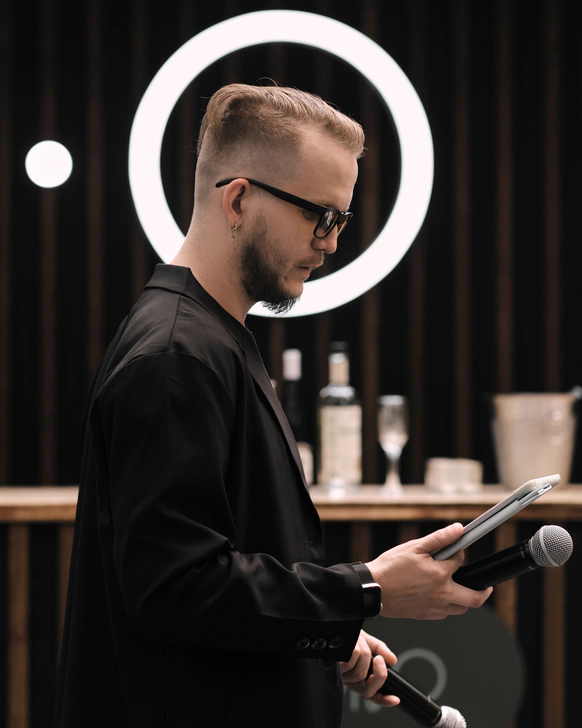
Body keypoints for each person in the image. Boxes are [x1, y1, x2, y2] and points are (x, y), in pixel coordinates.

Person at [54, 83, 491, 728]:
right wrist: (366, 589)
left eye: (340, 220)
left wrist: (327, 630)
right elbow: (175, 589)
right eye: (320, 216)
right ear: (237, 200)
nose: (331, 242)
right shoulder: (177, 356)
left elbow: (228, 569)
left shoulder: (209, 338)